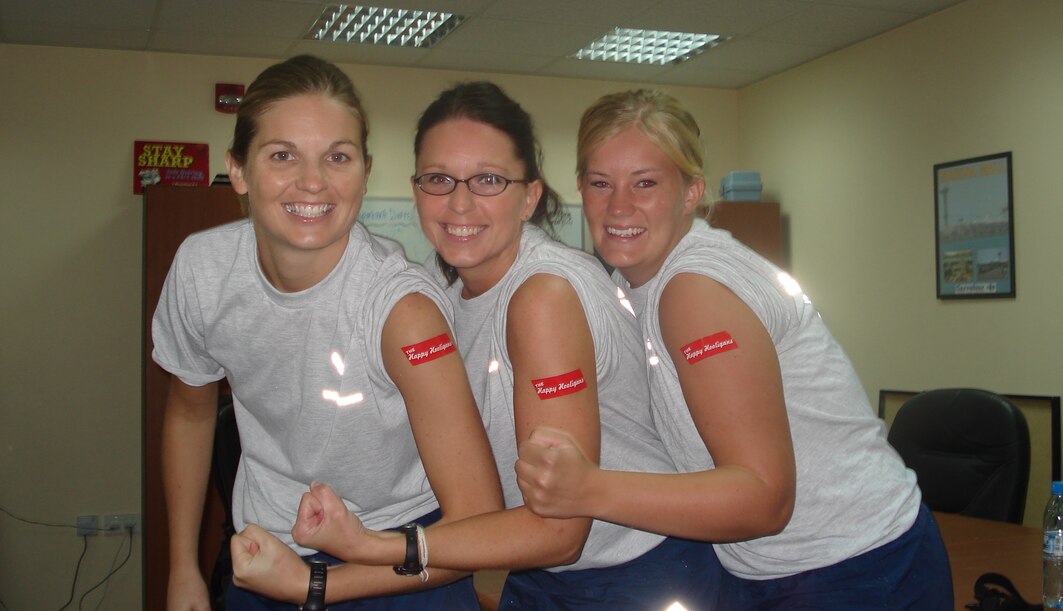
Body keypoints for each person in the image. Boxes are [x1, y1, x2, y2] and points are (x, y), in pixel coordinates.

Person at [240, 81, 724, 610]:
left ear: (529, 196)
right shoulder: (442, 286)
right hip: (541, 574)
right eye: (438, 179)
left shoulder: (543, 297)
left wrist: (350, 560)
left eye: (489, 179)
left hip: (637, 574)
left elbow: (560, 530)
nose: (460, 203)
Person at [515, 88, 954, 610]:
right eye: (600, 183)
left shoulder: (694, 291)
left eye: (646, 183)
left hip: (855, 566)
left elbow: (764, 498)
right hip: (779, 569)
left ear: (691, 191)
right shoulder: (643, 286)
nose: (619, 206)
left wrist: (587, 488)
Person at [153, 55, 502, 610]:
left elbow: (480, 525)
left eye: (337, 157)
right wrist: (183, 568)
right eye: (283, 155)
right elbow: (191, 411)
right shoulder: (203, 272)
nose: (312, 182)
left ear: (364, 171)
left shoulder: (402, 310)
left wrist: (316, 586)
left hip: (403, 557)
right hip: (265, 560)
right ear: (238, 170)